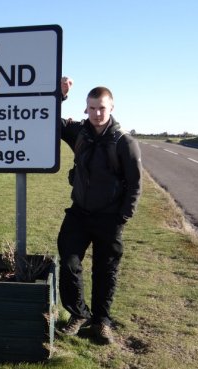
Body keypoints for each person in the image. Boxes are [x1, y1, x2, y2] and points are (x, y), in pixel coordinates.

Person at [57, 78, 142, 344]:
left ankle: (102, 322)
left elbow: (135, 184)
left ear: (111, 108)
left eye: (101, 108)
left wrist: (122, 217)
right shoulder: (79, 133)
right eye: (92, 108)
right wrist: (60, 96)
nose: (97, 113)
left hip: (110, 218)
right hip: (79, 213)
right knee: (69, 262)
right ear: (86, 108)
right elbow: (51, 121)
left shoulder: (123, 142)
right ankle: (79, 315)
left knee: (105, 271)